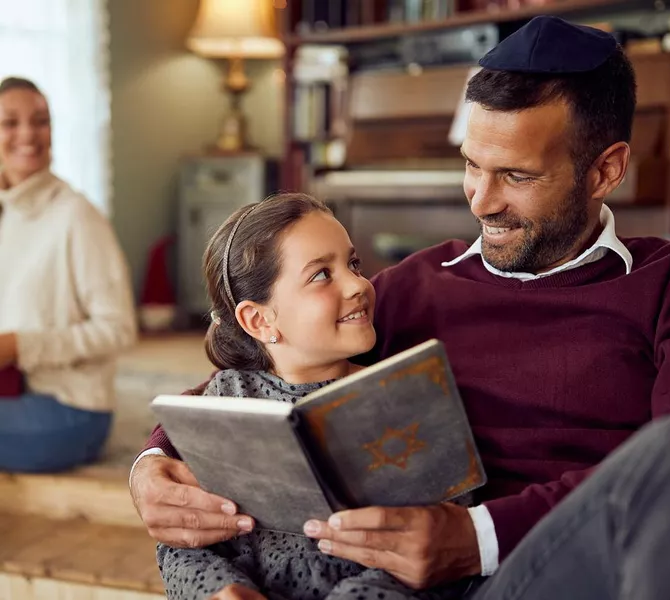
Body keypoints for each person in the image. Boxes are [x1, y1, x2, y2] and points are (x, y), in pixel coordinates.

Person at [131, 17, 670, 599]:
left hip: (591, 566)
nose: (480, 200)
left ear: (606, 170)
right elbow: (261, 374)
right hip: (412, 591)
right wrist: (152, 466)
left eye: (516, 176)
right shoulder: (415, 286)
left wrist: (477, 536)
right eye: (472, 165)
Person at [157, 193, 477, 600]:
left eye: (354, 263)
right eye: (322, 275)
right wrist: (224, 592)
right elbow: (183, 539)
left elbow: (437, 548)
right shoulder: (225, 398)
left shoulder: (407, 399)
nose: (359, 284)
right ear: (259, 320)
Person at [0, 76, 137, 472]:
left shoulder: (77, 215)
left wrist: (20, 346)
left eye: (40, 121)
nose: (28, 133)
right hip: (12, 394)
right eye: (10, 122)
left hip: (70, 410)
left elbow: (119, 329)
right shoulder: (7, 213)